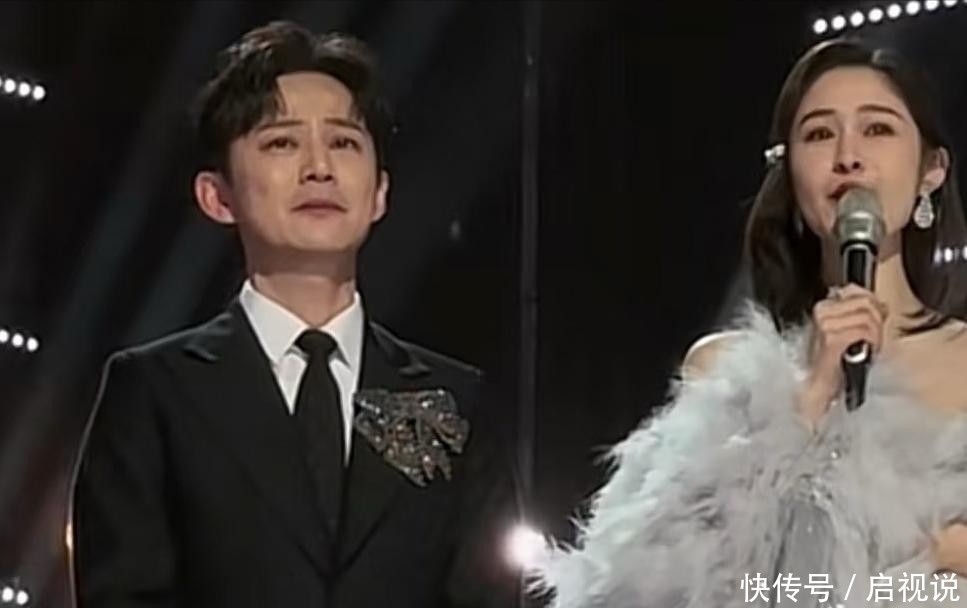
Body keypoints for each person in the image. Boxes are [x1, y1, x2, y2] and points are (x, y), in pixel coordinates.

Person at [69, 20, 519, 608]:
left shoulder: (457, 401)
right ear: (217, 196)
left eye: (344, 143)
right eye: (282, 143)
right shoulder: (155, 393)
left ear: (379, 193)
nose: (319, 168)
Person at [531, 37, 967, 607]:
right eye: (819, 134)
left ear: (931, 171)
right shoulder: (725, 371)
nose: (848, 156)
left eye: (877, 129)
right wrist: (805, 401)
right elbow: (639, 582)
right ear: (789, 171)